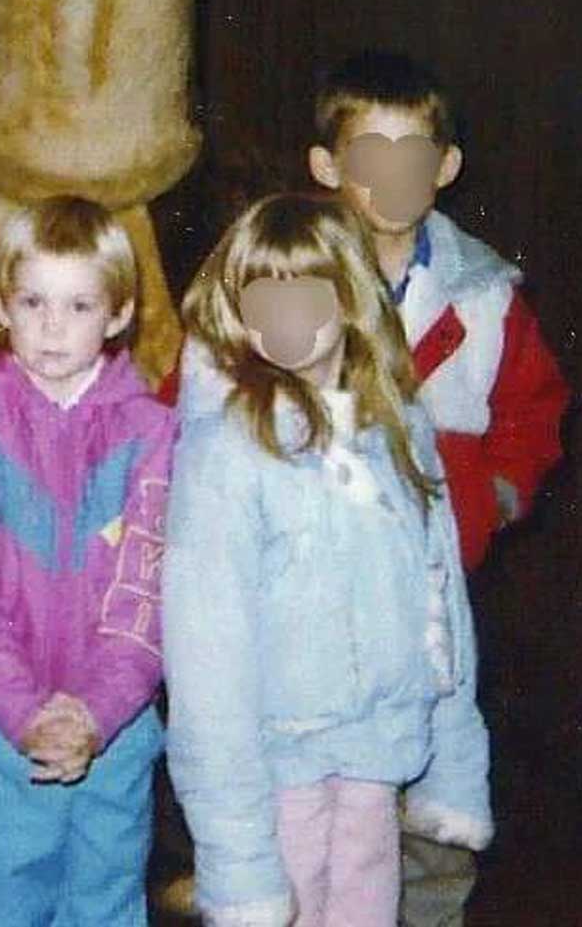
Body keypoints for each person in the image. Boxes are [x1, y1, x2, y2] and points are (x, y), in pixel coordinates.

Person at [164, 193, 491, 927]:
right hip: (279, 767)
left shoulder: (398, 431)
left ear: (348, 300)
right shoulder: (227, 451)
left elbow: (443, 608)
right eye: (264, 302)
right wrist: (236, 855)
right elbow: (205, 657)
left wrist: (453, 767)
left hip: (376, 755)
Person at [308, 50, 568, 925]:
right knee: (316, 814)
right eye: (368, 154)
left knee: (430, 805)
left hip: (430, 602)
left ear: (447, 166)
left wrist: (491, 498)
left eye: (413, 154)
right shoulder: (280, 278)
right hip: (310, 599)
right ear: (327, 167)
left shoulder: (483, 295)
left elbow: (533, 409)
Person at [0, 196, 175, 927]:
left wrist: (98, 710)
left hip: (117, 730)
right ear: (1, 303)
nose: (53, 326)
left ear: (119, 313)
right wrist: (23, 710)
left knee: (107, 906)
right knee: (3, 907)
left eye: (79, 304)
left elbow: (149, 588)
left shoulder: (154, 434)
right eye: (33, 301)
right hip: (1, 732)